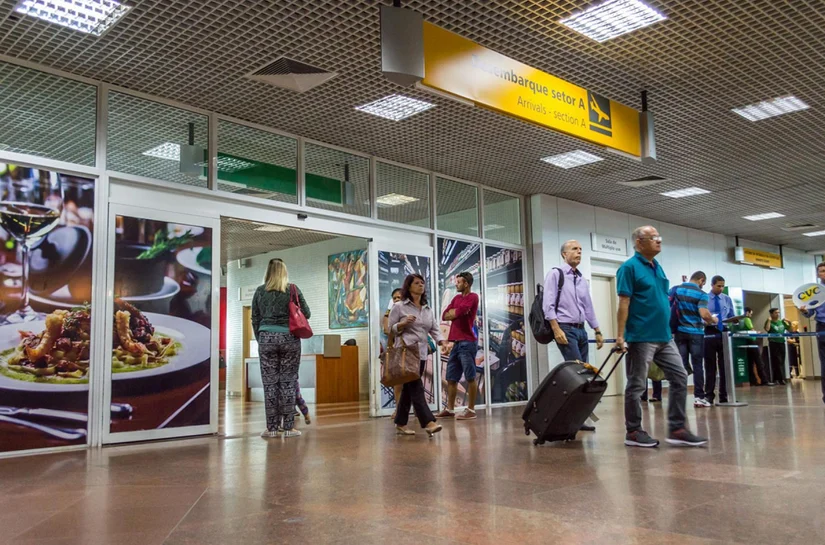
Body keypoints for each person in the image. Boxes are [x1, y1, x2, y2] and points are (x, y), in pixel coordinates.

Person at [616, 226, 707, 448]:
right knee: (637, 385)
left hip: (665, 337)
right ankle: (634, 431)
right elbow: (624, 303)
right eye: (654, 238)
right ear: (639, 242)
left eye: (659, 238)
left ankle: (677, 428)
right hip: (641, 336)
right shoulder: (629, 268)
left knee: (680, 376)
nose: (659, 241)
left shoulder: (658, 268)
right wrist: (620, 335)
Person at [541, 240, 603, 431]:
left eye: (581, 249)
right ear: (564, 254)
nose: (579, 252)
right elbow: (548, 304)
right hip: (565, 328)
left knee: (582, 375)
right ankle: (570, 418)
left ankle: (578, 417)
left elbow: (588, 306)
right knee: (577, 375)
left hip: (581, 329)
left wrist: (597, 329)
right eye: (574, 249)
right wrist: (556, 328)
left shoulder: (580, 279)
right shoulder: (555, 274)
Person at [252, 258, 310, 438]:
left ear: (268, 273)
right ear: (284, 272)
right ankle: (289, 428)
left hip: (266, 338)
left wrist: (261, 339)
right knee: (288, 382)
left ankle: (272, 428)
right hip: (289, 338)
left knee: (270, 384)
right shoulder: (292, 289)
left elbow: (255, 318)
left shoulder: (260, 292)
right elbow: (306, 313)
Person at [388, 274, 444, 437]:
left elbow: (434, 328)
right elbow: (390, 329)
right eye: (417, 283)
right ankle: (428, 422)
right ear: (409, 286)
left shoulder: (427, 308)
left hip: (421, 353)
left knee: (408, 389)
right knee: (416, 386)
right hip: (406, 353)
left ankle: (400, 422)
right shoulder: (399, 307)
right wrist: (402, 324)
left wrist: (442, 342)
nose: (421, 285)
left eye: (422, 283)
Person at [437, 272, 480, 421]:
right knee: (451, 377)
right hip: (455, 342)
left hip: (468, 342)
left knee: (470, 376)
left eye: (459, 282)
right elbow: (444, 315)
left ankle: (471, 410)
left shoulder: (473, 297)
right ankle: (450, 409)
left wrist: (454, 312)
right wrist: (454, 313)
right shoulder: (456, 298)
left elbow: (461, 311)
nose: (456, 284)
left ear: (466, 284)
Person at [673, 271, 718, 407]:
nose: (703, 286)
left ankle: (677, 396)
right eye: (703, 283)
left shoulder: (677, 289)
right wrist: (713, 320)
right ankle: (699, 397)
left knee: (681, 365)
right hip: (696, 333)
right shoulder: (701, 294)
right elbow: (704, 314)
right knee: (698, 365)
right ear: (701, 280)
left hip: (679, 331)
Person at [705, 276, 735, 405]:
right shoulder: (705, 299)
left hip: (723, 332)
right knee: (710, 366)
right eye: (718, 286)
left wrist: (735, 320)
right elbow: (700, 316)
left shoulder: (727, 299)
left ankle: (724, 395)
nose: (721, 288)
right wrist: (710, 320)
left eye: (723, 286)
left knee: (725, 366)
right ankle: (709, 395)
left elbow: (731, 315)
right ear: (712, 285)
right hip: (709, 332)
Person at [800, 261, 825, 403]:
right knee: (824, 364)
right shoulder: (814, 291)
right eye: (821, 271)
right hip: (822, 326)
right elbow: (809, 312)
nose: (823, 273)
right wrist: (804, 311)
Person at [383, 288, 403, 417]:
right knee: (398, 382)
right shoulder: (388, 314)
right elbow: (386, 330)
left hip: (411, 350)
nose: (397, 300)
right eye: (394, 298)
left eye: (399, 297)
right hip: (397, 349)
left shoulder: (409, 311)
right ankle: (399, 410)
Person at [741, 307, 769, 385]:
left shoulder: (740, 320)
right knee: (758, 361)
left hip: (745, 341)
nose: (751, 315)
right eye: (751, 313)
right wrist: (758, 332)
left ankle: (753, 381)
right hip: (751, 341)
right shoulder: (747, 319)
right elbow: (752, 330)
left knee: (750, 362)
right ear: (747, 313)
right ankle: (764, 380)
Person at [764, 308, 789, 385]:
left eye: (778, 312)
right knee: (777, 361)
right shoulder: (769, 322)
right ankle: (780, 379)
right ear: (771, 314)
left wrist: (789, 323)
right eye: (775, 313)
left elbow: (790, 329)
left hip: (781, 342)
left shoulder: (781, 322)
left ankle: (777, 378)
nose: (778, 314)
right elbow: (767, 329)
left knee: (781, 361)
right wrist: (768, 320)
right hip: (773, 343)